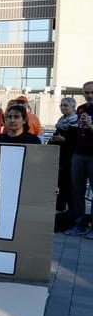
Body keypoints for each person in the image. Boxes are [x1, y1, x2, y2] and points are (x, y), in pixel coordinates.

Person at [66, 81, 93, 237]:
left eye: (92, 92)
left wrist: (89, 124)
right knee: (77, 191)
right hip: (78, 154)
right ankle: (80, 224)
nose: (89, 96)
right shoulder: (81, 109)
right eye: (87, 92)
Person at [50, 97, 78, 214]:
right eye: (61, 105)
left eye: (65, 105)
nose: (63, 108)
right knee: (60, 185)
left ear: (73, 107)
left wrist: (64, 140)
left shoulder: (76, 121)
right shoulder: (62, 120)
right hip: (60, 157)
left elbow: (77, 142)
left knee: (69, 187)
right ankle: (60, 211)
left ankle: (72, 214)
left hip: (70, 159)